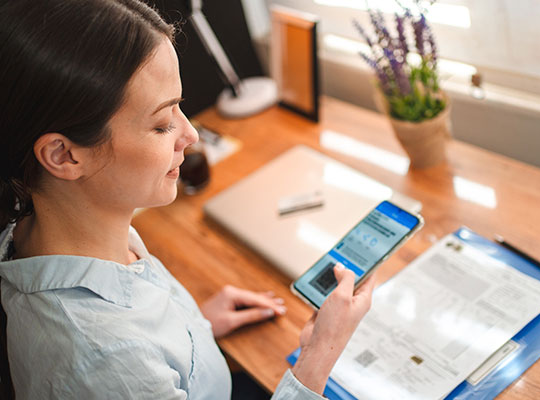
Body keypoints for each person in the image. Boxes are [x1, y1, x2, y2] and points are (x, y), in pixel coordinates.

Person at [0, 0, 375, 398]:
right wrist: (321, 352)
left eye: (180, 107)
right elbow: (118, 367)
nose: (191, 134)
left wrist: (193, 328)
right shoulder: (106, 361)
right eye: (162, 124)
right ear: (64, 155)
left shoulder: (49, 227)